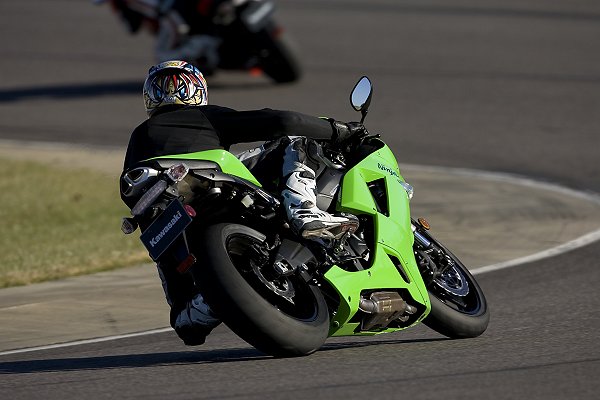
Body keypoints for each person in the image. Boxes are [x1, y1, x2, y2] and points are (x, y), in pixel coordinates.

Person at [122, 60, 365, 345]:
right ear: (197, 90)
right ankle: (303, 210)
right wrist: (338, 130)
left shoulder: (138, 136)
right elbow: (281, 122)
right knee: (295, 140)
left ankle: (199, 306)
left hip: (156, 205)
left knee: (182, 315)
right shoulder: (201, 116)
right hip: (201, 180)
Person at [98, 0, 226, 71]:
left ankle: (200, 46)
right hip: (178, 12)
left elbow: (132, 27)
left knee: (163, 56)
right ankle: (200, 63)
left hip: (171, 17)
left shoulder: (126, 2)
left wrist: (118, 9)